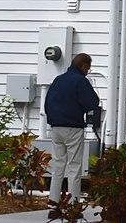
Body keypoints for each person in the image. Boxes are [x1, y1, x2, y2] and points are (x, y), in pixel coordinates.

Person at [44, 52, 100, 203]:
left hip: (55, 127)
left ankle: (53, 201)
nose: (88, 71)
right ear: (83, 65)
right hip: (73, 127)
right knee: (74, 166)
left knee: (58, 165)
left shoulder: (58, 79)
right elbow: (93, 102)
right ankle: (73, 203)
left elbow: (47, 102)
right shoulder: (80, 81)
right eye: (88, 68)